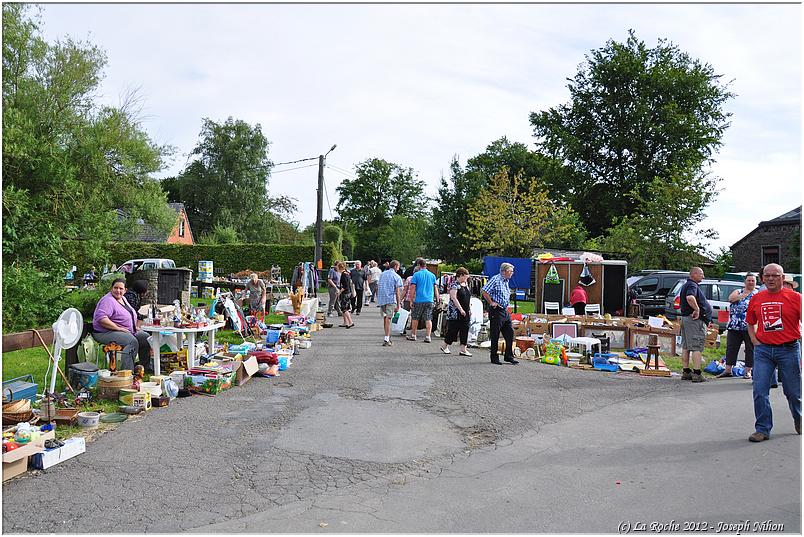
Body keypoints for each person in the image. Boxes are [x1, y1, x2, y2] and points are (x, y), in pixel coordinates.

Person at [745, 263, 801, 442]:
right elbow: (750, 321)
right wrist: (754, 340)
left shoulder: (795, 297)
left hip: (789, 349)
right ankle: (762, 429)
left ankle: (799, 418)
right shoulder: (757, 298)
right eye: (767, 275)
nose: (770, 278)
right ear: (762, 278)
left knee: (793, 392)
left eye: (775, 275)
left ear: (782, 278)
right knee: (760, 390)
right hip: (763, 350)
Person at [92, 278, 152, 373]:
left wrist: (133, 326)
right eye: (115, 288)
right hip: (105, 332)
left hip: (125, 330)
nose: (118, 291)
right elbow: (101, 318)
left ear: (125, 290)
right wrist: (118, 328)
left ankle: (143, 368)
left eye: (121, 288)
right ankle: (127, 372)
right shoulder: (108, 300)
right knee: (131, 341)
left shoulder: (123, 298)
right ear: (111, 288)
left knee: (145, 337)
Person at [717, 273, 758, 379]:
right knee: (731, 348)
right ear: (745, 282)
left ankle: (748, 371)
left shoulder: (757, 294)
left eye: (753, 281)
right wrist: (744, 295)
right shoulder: (738, 291)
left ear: (756, 282)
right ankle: (728, 370)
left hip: (749, 326)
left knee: (750, 349)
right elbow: (730, 299)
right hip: (734, 325)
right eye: (749, 280)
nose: (751, 282)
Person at [678, 267, 712, 382]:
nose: (703, 276)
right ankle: (697, 374)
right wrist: (697, 309)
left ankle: (686, 371)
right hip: (693, 321)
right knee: (696, 346)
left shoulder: (687, 285)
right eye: (701, 274)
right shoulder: (692, 285)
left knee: (686, 346)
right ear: (694, 274)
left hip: (686, 319)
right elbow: (690, 297)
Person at [482, 263, 517, 365]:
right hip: (496, 310)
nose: (512, 273)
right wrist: (491, 302)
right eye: (510, 271)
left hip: (504, 310)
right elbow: (484, 291)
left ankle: (508, 356)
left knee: (510, 333)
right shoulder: (496, 279)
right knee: (495, 334)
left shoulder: (506, 281)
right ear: (504, 271)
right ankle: (494, 357)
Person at [440, 267, 473, 356]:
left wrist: (469, 308)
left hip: (465, 311)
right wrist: (460, 309)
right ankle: (445, 345)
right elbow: (454, 298)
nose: (466, 279)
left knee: (465, 329)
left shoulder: (466, 285)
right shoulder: (454, 285)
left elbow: (468, 298)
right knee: (453, 330)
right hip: (456, 312)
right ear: (461, 275)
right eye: (465, 277)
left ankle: (463, 349)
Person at [406, 258, 440, 343]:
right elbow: (435, 288)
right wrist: (437, 299)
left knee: (415, 317)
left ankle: (414, 335)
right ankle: (428, 336)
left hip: (419, 300)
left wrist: (411, 300)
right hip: (429, 300)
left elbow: (413, 288)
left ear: (418, 265)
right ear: (426, 265)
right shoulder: (432, 275)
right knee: (428, 318)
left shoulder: (416, 275)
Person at [378, 260, 404, 346]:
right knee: (389, 318)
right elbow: (397, 292)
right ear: (396, 266)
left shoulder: (382, 274)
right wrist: (398, 304)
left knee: (385, 318)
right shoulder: (396, 277)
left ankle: (387, 336)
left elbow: (379, 286)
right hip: (391, 299)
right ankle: (386, 338)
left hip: (382, 299)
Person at [337, 262, 355, 328]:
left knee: (344, 308)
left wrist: (339, 292)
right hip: (348, 292)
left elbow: (345, 286)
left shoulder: (344, 275)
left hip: (345, 293)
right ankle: (345, 322)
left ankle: (350, 322)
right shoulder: (347, 273)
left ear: (340, 268)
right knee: (344, 308)